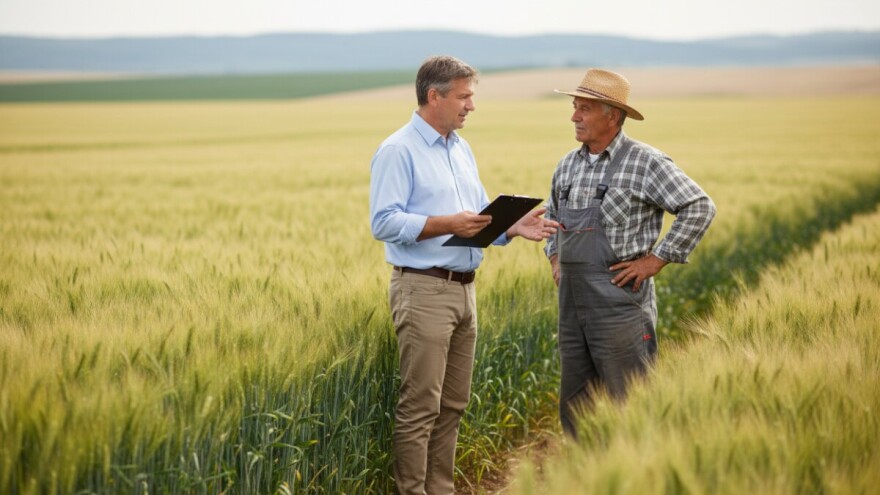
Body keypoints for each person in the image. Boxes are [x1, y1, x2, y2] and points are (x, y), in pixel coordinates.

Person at [370, 55, 558, 494]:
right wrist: (445, 223)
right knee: (421, 407)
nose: (471, 106)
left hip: (464, 292)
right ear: (434, 96)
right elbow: (383, 222)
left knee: (453, 404)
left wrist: (510, 227)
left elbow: (475, 222)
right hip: (422, 290)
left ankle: (441, 489)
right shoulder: (399, 149)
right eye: (464, 96)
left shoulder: (460, 147)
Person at [544, 68, 716, 437]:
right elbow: (552, 216)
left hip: (620, 304)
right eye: (575, 107)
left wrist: (656, 260)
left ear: (613, 115)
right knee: (577, 405)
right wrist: (555, 256)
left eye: (585, 109)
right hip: (571, 306)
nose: (574, 116)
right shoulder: (567, 165)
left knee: (630, 402)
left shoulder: (646, 162)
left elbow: (699, 207)